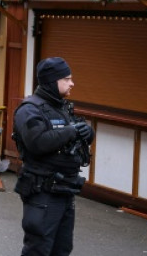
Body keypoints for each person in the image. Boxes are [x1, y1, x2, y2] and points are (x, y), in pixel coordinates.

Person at [13, 57, 94, 256]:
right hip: (43, 191)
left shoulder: (62, 107)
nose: (72, 83)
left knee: (62, 249)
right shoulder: (29, 109)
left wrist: (87, 133)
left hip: (65, 189)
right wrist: (72, 131)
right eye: (67, 79)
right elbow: (37, 142)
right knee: (39, 249)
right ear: (51, 81)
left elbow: (74, 135)